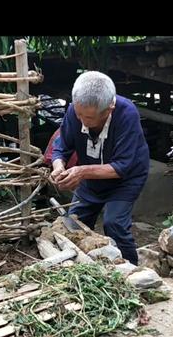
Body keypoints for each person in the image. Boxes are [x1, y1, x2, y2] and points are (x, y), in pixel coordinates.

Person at [50, 72, 150, 266]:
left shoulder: (126, 114)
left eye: (89, 117)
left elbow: (123, 166)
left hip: (125, 179)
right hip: (90, 178)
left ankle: (131, 271)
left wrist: (81, 172)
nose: (82, 121)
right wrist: (58, 166)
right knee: (73, 222)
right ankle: (83, 270)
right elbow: (61, 146)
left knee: (114, 224)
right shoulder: (75, 111)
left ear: (109, 108)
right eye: (79, 114)